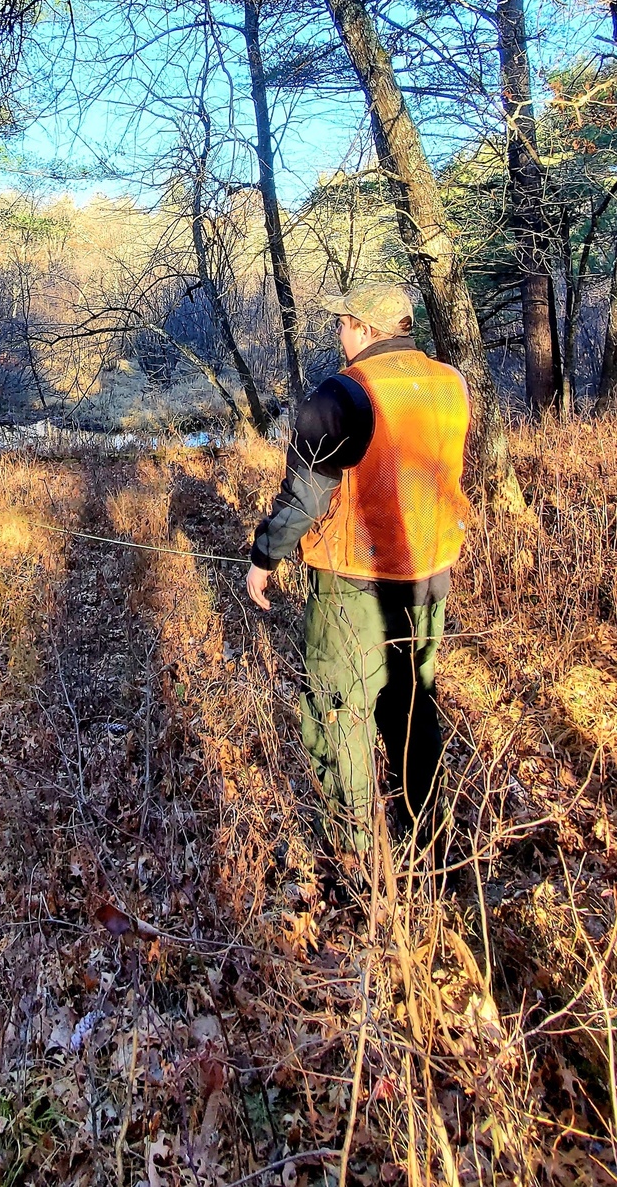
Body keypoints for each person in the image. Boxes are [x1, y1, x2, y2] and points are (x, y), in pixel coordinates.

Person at [246, 281, 471, 861]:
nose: (338, 333)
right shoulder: (450, 386)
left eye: (344, 322)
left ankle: (359, 865)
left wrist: (263, 557)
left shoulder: (343, 396)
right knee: (414, 709)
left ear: (366, 328)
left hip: (353, 588)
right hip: (429, 582)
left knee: (338, 715)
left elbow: (303, 500)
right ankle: (435, 849)